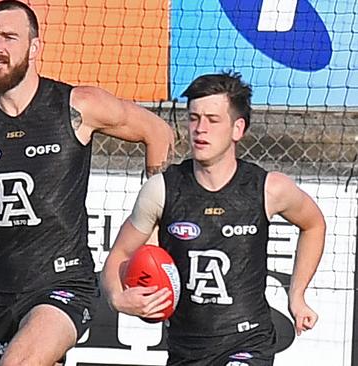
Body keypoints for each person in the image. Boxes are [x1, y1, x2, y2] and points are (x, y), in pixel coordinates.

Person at [0, 1, 175, 365]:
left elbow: (158, 131)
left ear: (33, 47)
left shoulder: (77, 104)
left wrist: (154, 232)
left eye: (9, 37)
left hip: (63, 284)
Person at [101, 71, 326, 365]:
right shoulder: (162, 189)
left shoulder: (269, 188)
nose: (200, 129)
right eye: (194, 118)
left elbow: (314, 224)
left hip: (249, 342)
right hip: (185, 348)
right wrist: (118, 299)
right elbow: (119, 254)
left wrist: (297, 296)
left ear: (238, 128)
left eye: (212, 119)